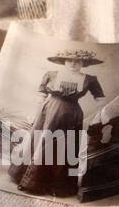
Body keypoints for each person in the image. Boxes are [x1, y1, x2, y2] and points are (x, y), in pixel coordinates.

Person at [18, 51, 106, 197]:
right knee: (43, 143)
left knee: (66, 147)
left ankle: (59, 186)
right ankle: (33, 183)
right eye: (69, 61)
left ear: (83, 64)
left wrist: (101, 115)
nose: (73, 64)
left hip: (72, 116)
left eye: (77, 62)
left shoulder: (89, 79)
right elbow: (41, 96)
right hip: (49, 113)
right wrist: (37, 113)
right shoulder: (51, 75)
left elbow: (100, 99)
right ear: (63, 62)